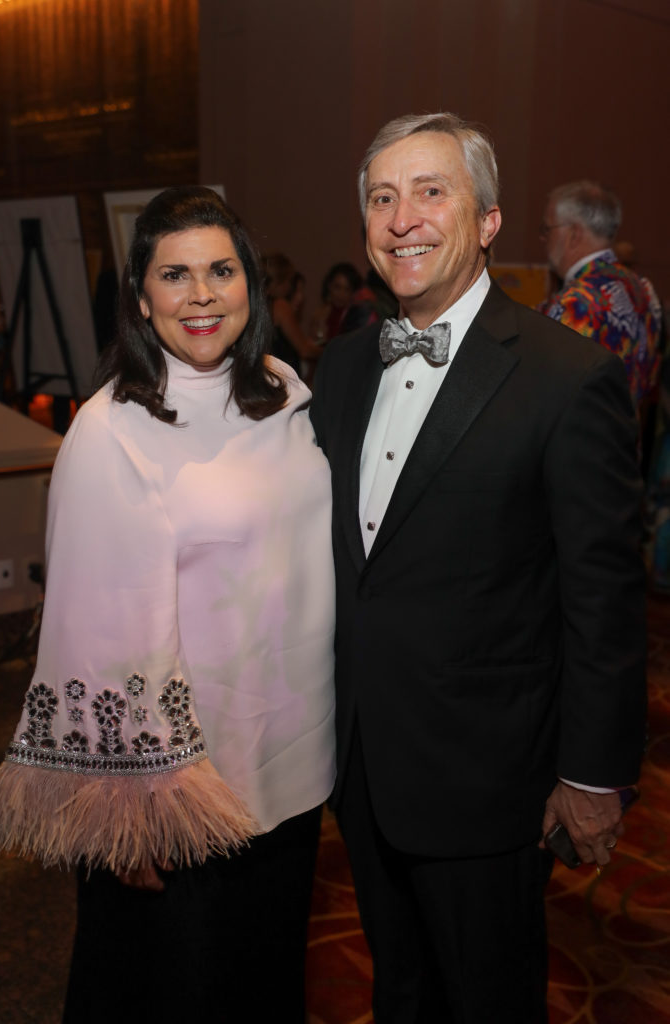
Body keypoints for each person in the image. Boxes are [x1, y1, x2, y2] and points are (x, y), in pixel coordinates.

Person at [310, 113, 647, 1023]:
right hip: (361, 767)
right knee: (399, 994)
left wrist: (592, 773)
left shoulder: (565, 377)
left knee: (488, 1001)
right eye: (381, 198)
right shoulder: (337, 371)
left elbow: (603, 599)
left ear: (488, 222)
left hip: (490, 781)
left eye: (431, 192)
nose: (402, 217)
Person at [0, 186, 335, 1023]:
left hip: (291, 768)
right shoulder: (113, 431)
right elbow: (95, 629)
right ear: (141, 298)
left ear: (249, 283)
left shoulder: (283, 392)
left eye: (221, 269)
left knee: (263, 984)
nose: (202, 293)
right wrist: (132, 807)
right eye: (174, 275)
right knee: (172, 993)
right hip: (182, 794)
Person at [539, 180, 662, 413]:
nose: (543, 239)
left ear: (573, 235)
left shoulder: (576, 302)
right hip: (627, 443)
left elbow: (548, 392)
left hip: (579, 446)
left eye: (547, 229)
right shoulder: (644, 289)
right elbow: (649, 376)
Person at [261, 250, 323, 378]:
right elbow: (304, 349)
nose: (290, 287)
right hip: (281, 376)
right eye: (289, 281)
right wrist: (332, 351)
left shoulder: (258, 305)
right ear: (280, 282)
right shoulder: (279, 306)